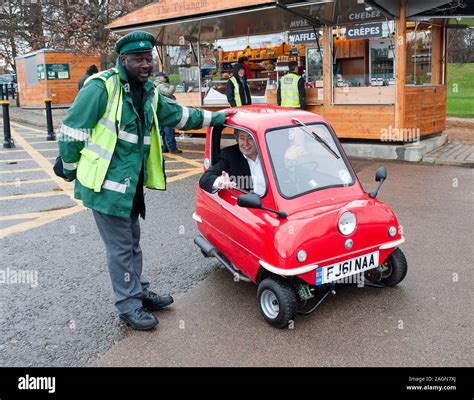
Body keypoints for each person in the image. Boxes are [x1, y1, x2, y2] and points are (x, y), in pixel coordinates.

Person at [58, 31, 228, 331]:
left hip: (130, 187)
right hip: (105, 189)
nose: (145, 64)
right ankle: (128, 306)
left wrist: (217, 119)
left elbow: (178, 115)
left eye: (148, 58)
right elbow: (72, 132)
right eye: (138, 60)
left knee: (132, 244)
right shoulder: (101, 88)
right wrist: (69, 169)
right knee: (122, 249)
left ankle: (138, 291)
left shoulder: (148, 92)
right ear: (122, 60)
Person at [199, 129, 265, 196]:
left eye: (250, 138)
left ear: (258, 139)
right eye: (242, 138)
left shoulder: (269, 152)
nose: (246, 143)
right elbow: (205, 179)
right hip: (247, 204)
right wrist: (220, 182)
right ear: (237, 140)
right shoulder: (229, 155)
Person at [154, 71, 182, 154]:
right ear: (159, 78)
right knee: (169, 130)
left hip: (160, 111)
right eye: (164, 77)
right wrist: (173, 85)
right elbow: (168, 92)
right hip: (166, 111)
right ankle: (172, 148)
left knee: (161, 131)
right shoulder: (160, 86)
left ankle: (164, 147)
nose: (166, 78)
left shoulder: (155, 85)